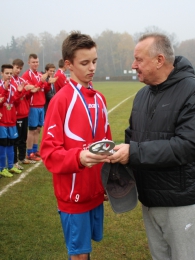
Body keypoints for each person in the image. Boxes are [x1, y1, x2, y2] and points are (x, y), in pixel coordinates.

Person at [108, 33, 195, 260]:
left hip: (178, 200)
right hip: (149, 198)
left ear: (159, 60)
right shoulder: (142, 95)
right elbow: (132, 138)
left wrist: (133, 152)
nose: (133, 65)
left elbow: (187, 146)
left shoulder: (194, 92)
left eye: (138, 59)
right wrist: (117, 172)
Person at [40, 31, 112, 260]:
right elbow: (49, 153)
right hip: (73, 196)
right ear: (69, 64)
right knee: (79, 255)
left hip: (95, 191)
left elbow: (106, 144)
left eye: (94, 61)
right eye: (85, 63)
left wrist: (108, 182)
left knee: (86, 251)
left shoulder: (100, 98)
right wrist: (79, 158)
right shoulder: (60, 101)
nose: (92, 68)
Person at [22, 54, 53, 161]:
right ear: (29, 63)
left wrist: (48, 83)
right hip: (33, 106)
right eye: (33, 62)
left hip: (41, 105)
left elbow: (44, 89)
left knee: (38, 129)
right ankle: (29, 152)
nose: (35, 64)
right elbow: (32, 89)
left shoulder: (40, 74)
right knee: (32, 130)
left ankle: (35, 150)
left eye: (37, 62)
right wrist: (41, 81)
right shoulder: (27, 75)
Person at [11, 59, 36, 169]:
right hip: (16, 115)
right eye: (17, 68)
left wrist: (29, 91)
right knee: (16, 139)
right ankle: (14, 161)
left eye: (20, 68)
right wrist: (22, 90)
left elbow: (26, 97)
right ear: (13, 67)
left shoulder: (21, 80)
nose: (18, 70)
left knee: (23, 138)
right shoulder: (10, 82)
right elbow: (13, 99)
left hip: (25, 112)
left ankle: (22, 158)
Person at [0, 64, 23, 177]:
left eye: (10, 73)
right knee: (3, 145)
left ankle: (10, 166)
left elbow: (15, 102)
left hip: (11, 121)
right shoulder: (1, 86)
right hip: (2, 121)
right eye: (6, 73)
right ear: (2, 73)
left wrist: (18, 93)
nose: (9, 75)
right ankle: (2, 168)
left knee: (11, 144)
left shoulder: (13, 86)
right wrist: (4, 89)